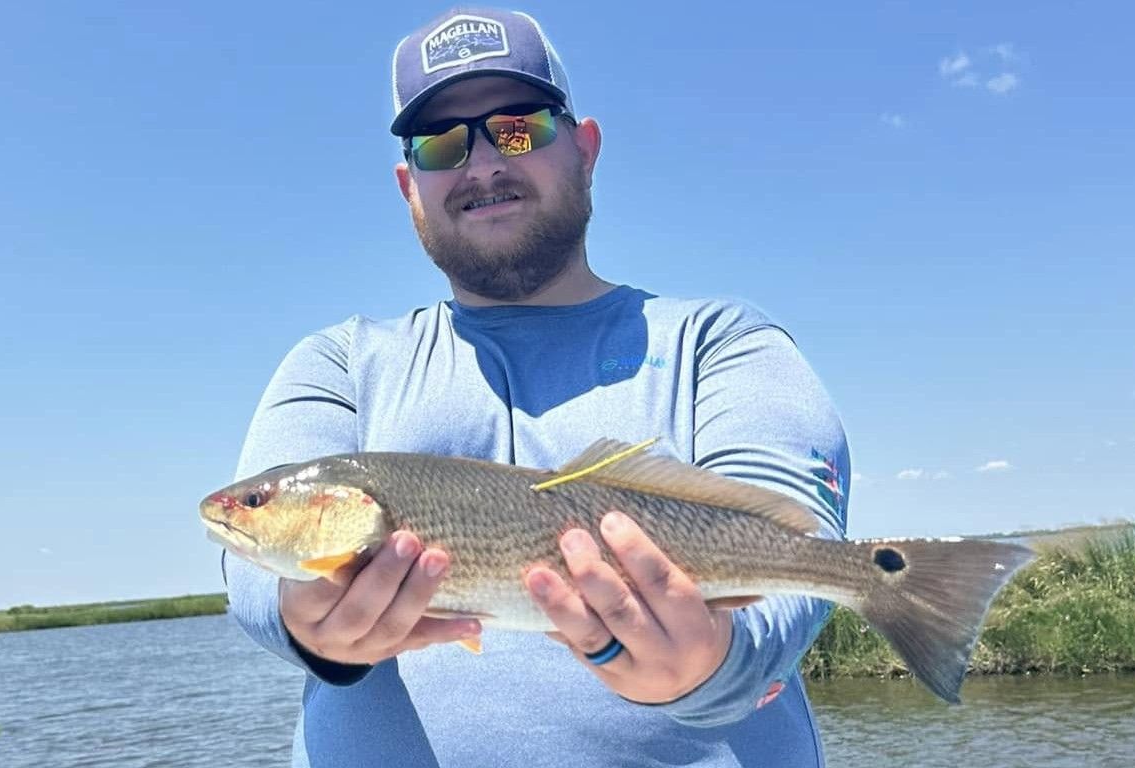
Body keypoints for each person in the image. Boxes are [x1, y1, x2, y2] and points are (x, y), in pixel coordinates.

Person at [221, 7, 851, 766]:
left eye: (519, 129)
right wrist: (305, 621)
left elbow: (801, 557)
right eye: (442, 143)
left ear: (584, 148)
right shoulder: (339, 364)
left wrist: (714, 661)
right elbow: (253, 583)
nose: (483, 163)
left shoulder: (719, 341)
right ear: (408, 186)